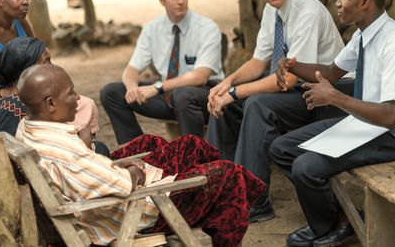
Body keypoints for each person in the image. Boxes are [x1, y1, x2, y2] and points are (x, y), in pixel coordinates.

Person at [16, 64, 265, 246]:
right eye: (70, 93)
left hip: (112, 199)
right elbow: (123, 184)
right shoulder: (64, 151)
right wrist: (133, 170)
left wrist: (110, 160)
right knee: (229, 177)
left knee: (189, 144)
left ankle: (213, 208)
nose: (78, 98)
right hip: (137, 212)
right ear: (50, 104)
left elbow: (89, 171)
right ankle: (223, 211)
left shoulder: (28, 128)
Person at [269, 0, 395, 247]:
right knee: (281, 148)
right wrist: (293, 65)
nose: (338, 3)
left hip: (391, 135)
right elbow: (330, 73)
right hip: (363, 123)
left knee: (306, 166)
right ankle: (340, 219)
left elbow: (391, 116)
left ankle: (327, 228)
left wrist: (335, 99)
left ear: (365, 2)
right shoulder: (363, 35)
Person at [206, 0, 347, 222]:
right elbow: (260, 61)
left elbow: (289, 79)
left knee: (257, 104)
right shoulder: (273, 11)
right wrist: (227, 83)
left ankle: (254, 200)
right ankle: (220, 187)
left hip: (327, 98)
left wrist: (235, 93)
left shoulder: (307, 11)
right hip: (299, 92)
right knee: (228, 105)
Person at [100, 0, 224, 144]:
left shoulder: (207, 28)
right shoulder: (152, 29)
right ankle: (138, 151)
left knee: (183, 94)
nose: (181, 1)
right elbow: (132, 69)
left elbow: (200, 77)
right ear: (162, 0)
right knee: (111, 92)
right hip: (168, 95)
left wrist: (157, 87)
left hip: (204, 96)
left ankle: (193, 156)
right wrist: (132, 88)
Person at [0, 37, 110, 156]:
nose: (52, 66)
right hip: (39, 167)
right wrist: (85, 142)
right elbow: (54, 152)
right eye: (46, 61)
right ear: (28, 70)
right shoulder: (26, 103)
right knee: (100, 149)